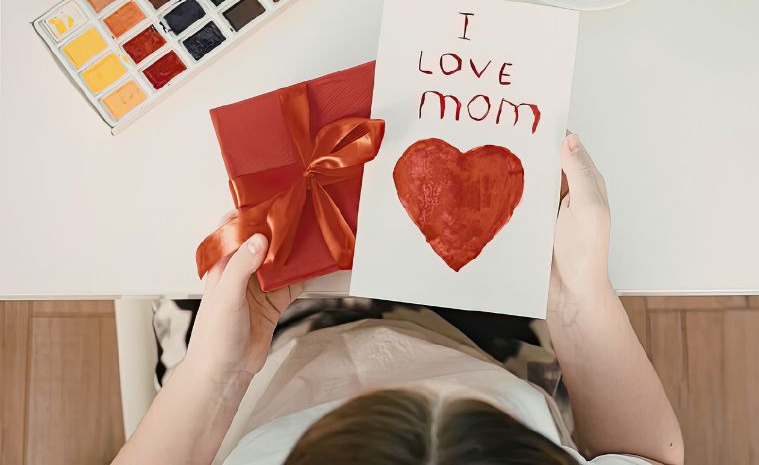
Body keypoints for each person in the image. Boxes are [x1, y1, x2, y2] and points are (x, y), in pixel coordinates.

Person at [112, 134, 684, 465]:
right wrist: (577, 302)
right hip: (494, 340)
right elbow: (646, 456)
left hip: (244, 374)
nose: (413, 392)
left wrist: (219, 371)